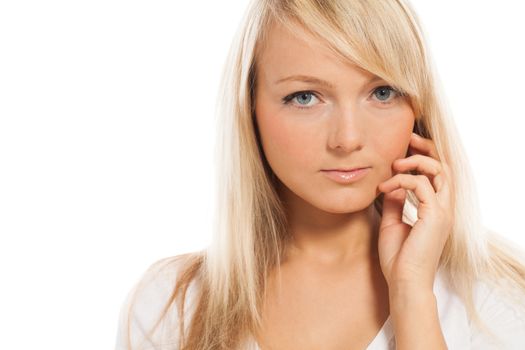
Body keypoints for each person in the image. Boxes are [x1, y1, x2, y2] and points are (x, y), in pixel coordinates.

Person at [115, 0, 525, 349]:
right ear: (250, 110)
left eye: (382, 92)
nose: (347, 139)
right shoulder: (172, 306)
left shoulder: (495, 296)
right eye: (305, 97)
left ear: (417, 108)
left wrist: (412, 296)